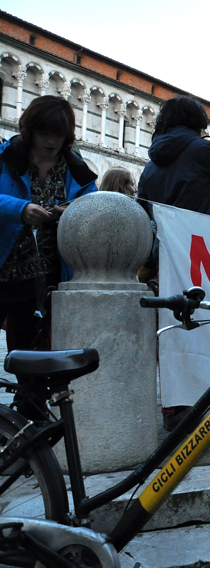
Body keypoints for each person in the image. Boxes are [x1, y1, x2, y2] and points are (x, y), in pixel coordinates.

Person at [0, 95, 97, 421]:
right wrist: (20, 209)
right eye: (44, 132)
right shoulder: (5, 157)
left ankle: (30, 433)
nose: (51, 141)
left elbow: (93, 205)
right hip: (3, 268)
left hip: (40, 282)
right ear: (30, 130)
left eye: (58, 134)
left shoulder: (76, 169)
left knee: (30, 362)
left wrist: (72, 211)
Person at [138, 97, 210, 217]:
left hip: (163, 229)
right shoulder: (203, 150)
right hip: (200, 228)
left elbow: (141, 211)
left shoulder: (149, 167)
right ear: (198, 122)